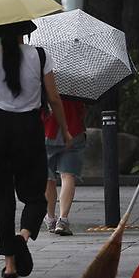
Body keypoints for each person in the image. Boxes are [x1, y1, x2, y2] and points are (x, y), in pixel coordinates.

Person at [0, 20, 72, 278]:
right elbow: (53, 97)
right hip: (29, 128)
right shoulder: (40, 55)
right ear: (25, 33)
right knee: (34, 195)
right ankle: (23, 236)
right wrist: (65, 130)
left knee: (2, 197)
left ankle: (10, 265)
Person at [43, 98, 86, 236]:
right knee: (67, 175)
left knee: (48, 178)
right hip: (74, 131)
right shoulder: (75, 81)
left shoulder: (44, 79)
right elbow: (81, 110)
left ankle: (50, 218)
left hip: (47, 130)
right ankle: (63, 219)